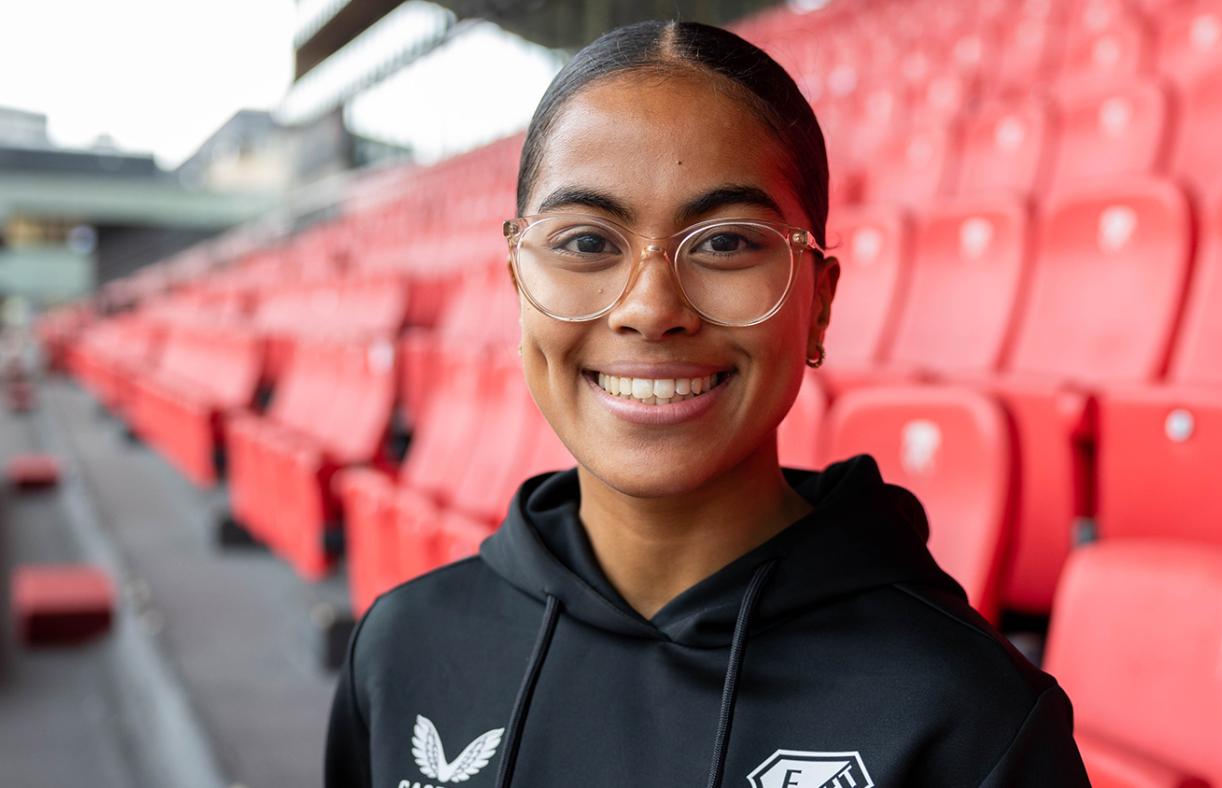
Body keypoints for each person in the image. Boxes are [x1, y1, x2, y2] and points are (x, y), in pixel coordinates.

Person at [325, 19, 1089, 788]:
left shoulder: (969, 719)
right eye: (588, 243)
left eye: (725, 242)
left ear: (818, 306)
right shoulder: (401, 651)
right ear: (519, 286)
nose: (652, 308)